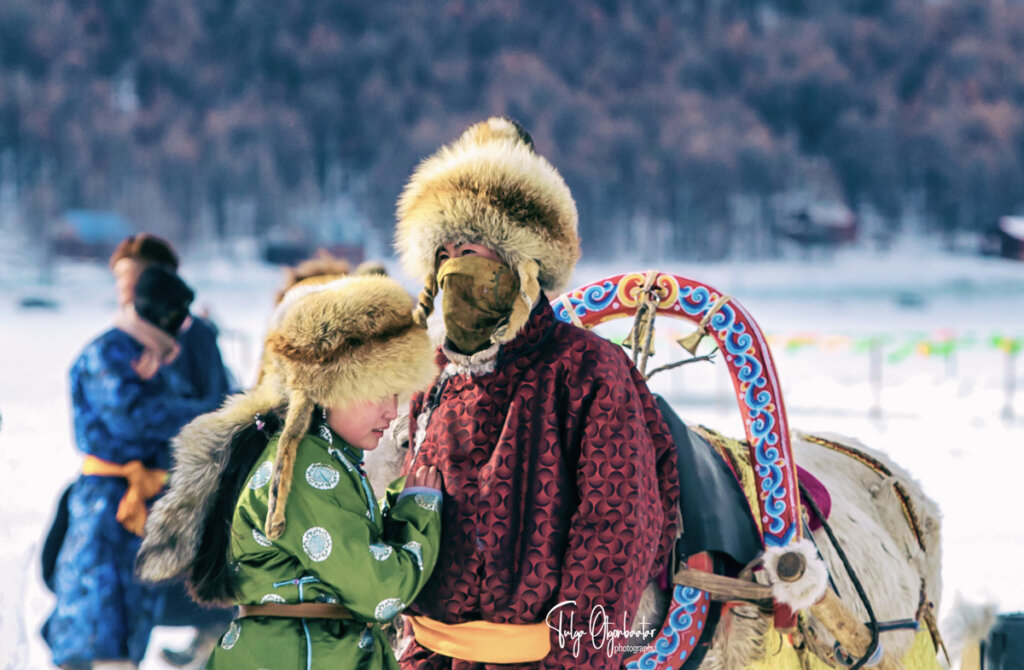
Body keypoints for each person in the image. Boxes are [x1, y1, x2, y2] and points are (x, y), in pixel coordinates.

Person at [391, 117, 681, 669]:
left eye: (474, 248)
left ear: (524, 265)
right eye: (446, 250)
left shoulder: (587, 370)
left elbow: (618, 531)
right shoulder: (428, 375)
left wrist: (571, 661)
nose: (457, 267)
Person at [135, 275, 444, 670]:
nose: (390, 410)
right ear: (330, 386)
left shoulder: (322, 458)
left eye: (397, 394)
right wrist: (419, 514)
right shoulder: (305, 469)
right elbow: (379, 590)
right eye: (378, 391)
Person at [43, 267, 223, 670]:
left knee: (133, 606)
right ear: (162, 313)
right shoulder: (108, 353)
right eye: (180, 313)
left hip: (144, 499)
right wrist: (210, 412)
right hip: (109, 501)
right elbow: (135, 417)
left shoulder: (150, 354)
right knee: (98, 602)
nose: (184, 324)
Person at [108, 233, 235, 666]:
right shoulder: (119, 341)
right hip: (129, 483)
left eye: (136, 278)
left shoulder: (194, 335)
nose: (126, 289)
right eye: (120, 280)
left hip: (179, 481)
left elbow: (218, 401)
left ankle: (209, 637)